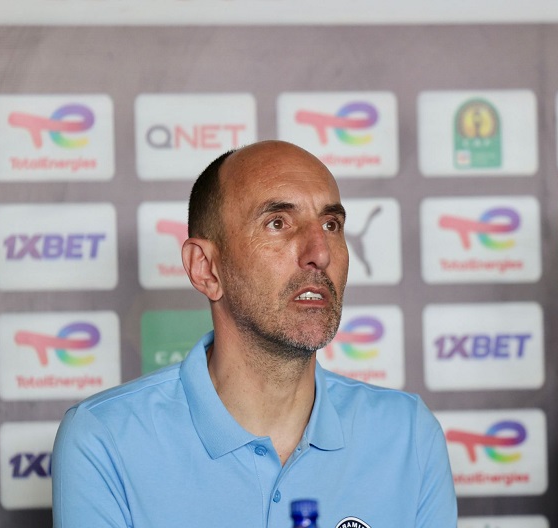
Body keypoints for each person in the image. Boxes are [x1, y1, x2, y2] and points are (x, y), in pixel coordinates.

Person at [52, 140, 457, 528]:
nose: (320, 252)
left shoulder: (408, 434)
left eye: (331, 224)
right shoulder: (105, 439)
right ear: (206, 269)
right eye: (277, 223)